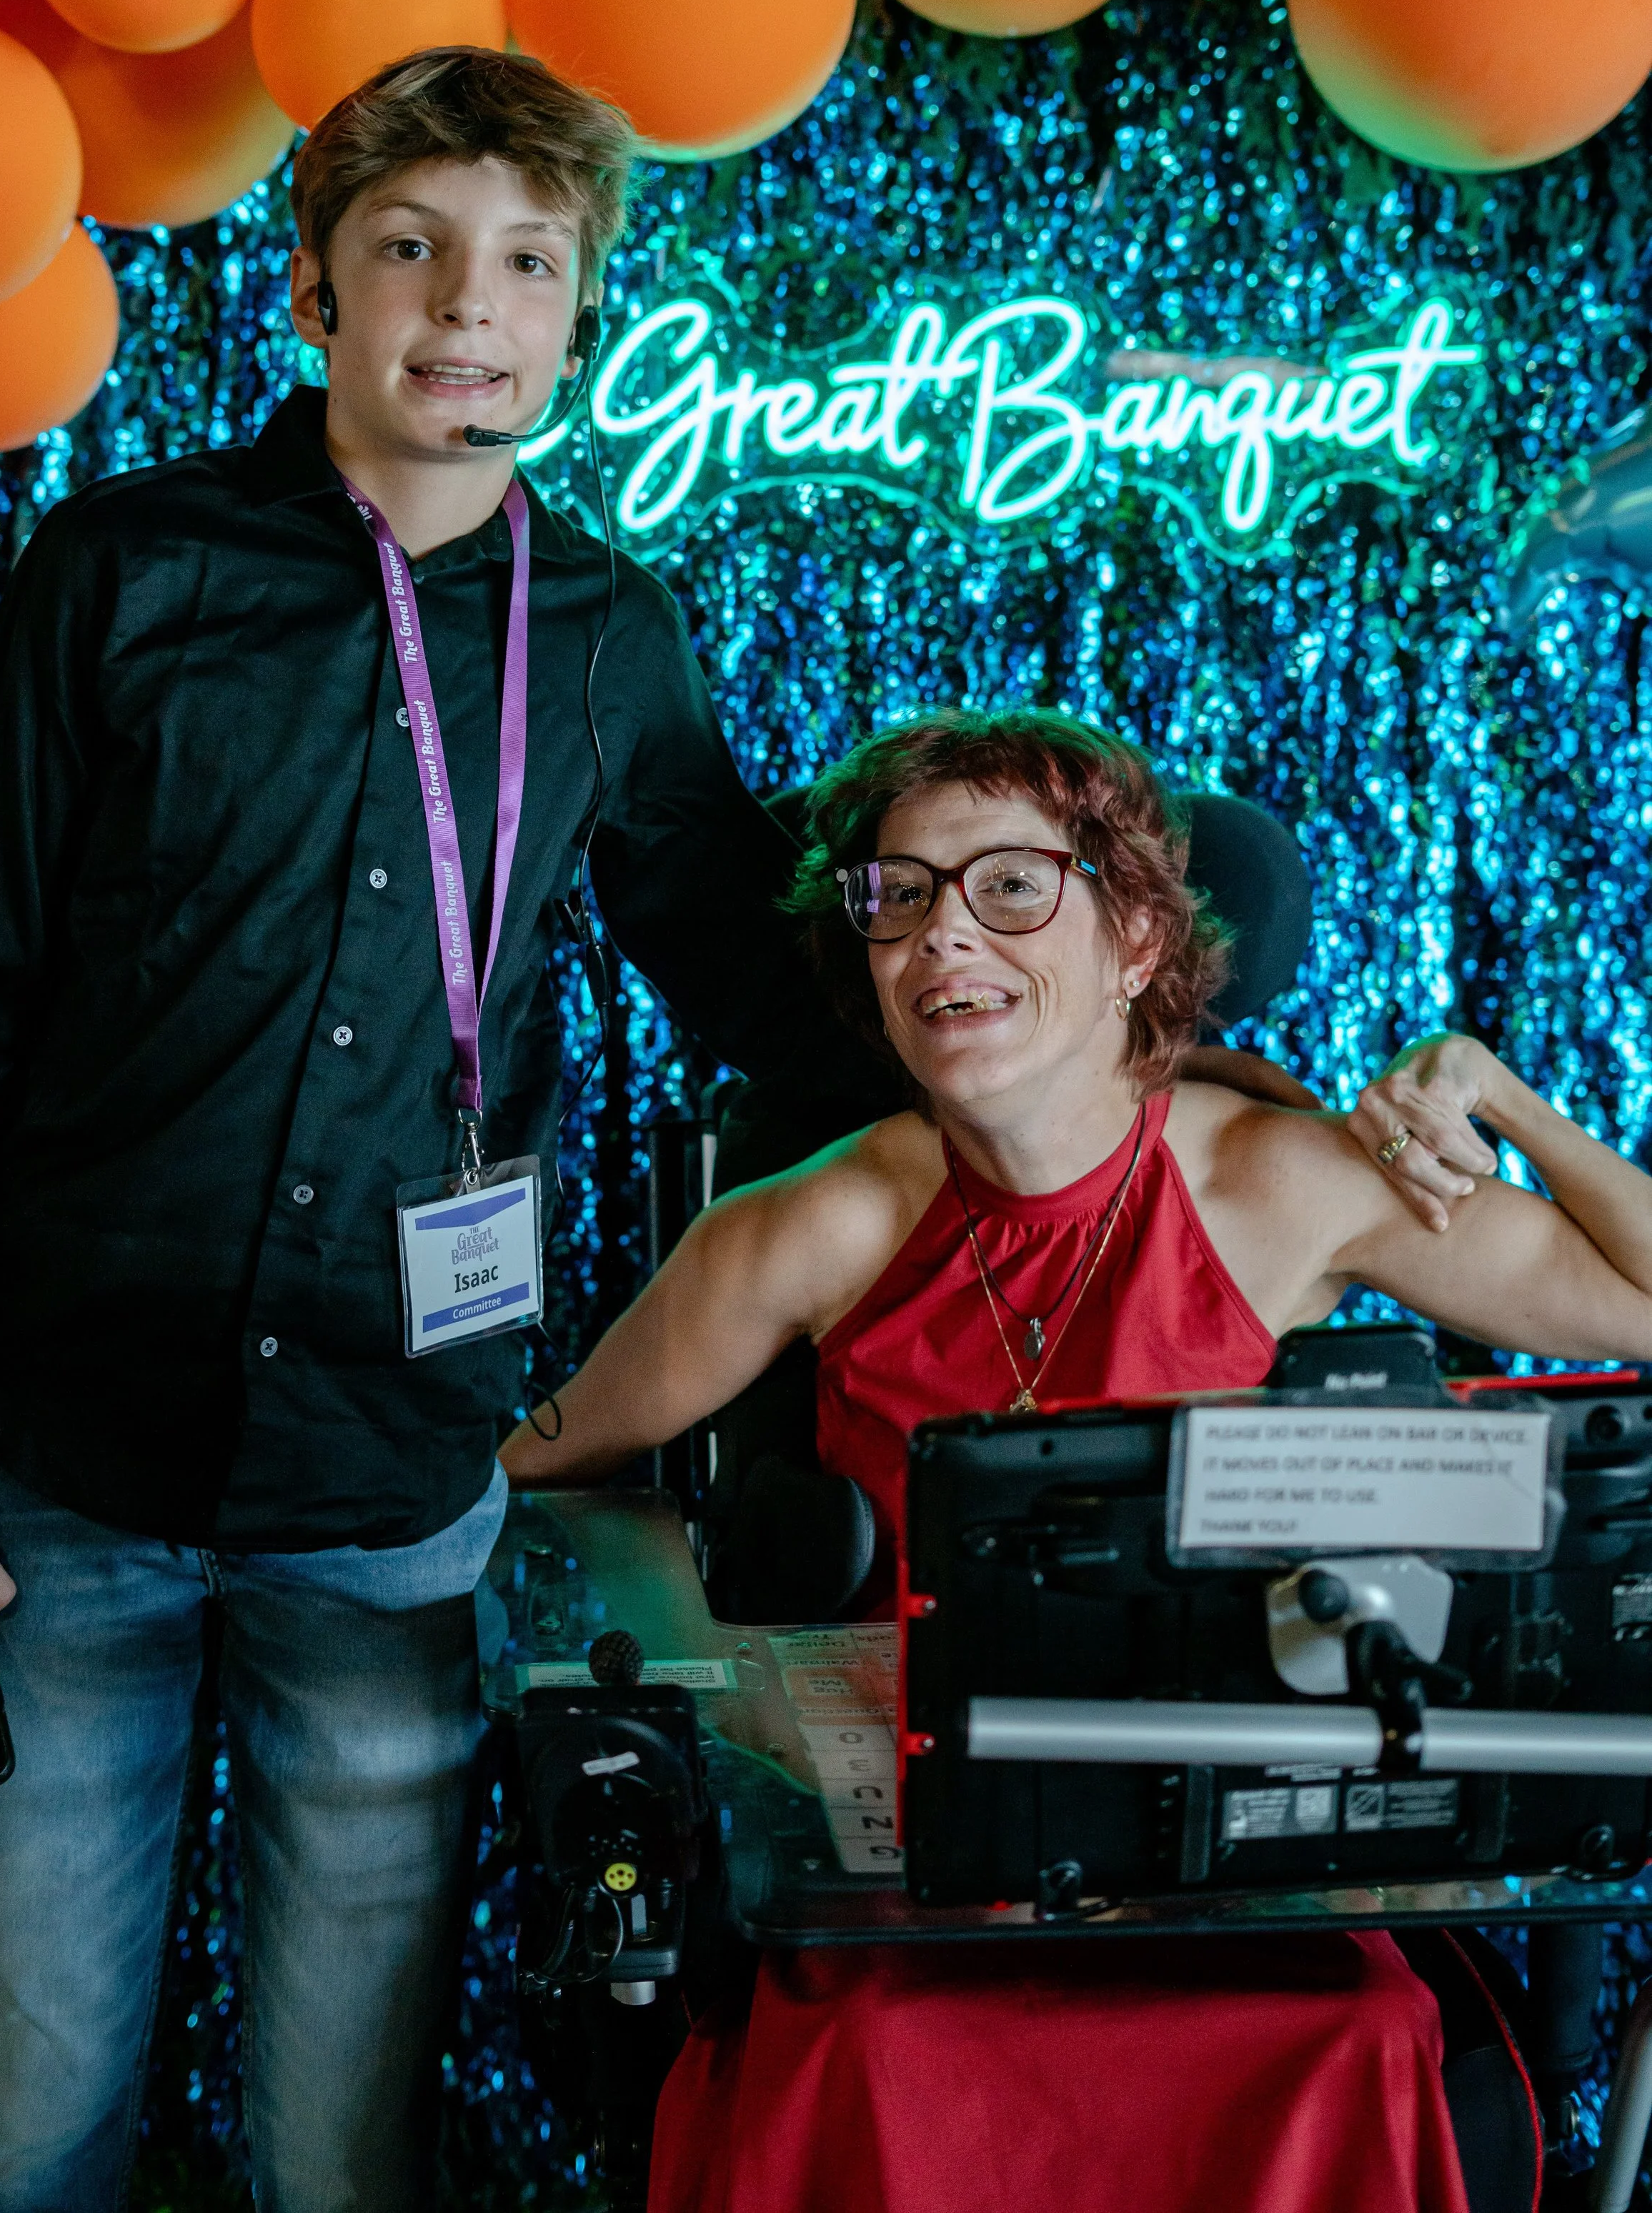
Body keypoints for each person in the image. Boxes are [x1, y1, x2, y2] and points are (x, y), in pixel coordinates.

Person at [0, 45, 872, 2213]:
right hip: (58, 1475)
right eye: (408, 246)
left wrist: (1125, 1047)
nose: (465, 302)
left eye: (527, 260)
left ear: (578, 316)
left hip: (392, 1473)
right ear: (317, 282)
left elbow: (752, 986)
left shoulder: (610, 634)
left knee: (346, 2155)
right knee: (36, 2124)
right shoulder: (119, 574)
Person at [502, 704, 1652, 2213]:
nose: (939, 934)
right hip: (917, 1858)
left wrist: (1492, 1090)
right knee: (858, 2044)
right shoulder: (813, 1221)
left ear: (1133, 939)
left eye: (1009, 884)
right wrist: (726, 1682)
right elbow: (552, 1466)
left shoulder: (1281, 1183)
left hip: (1230, 1858)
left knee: (1356, 2030)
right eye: (897, 894)